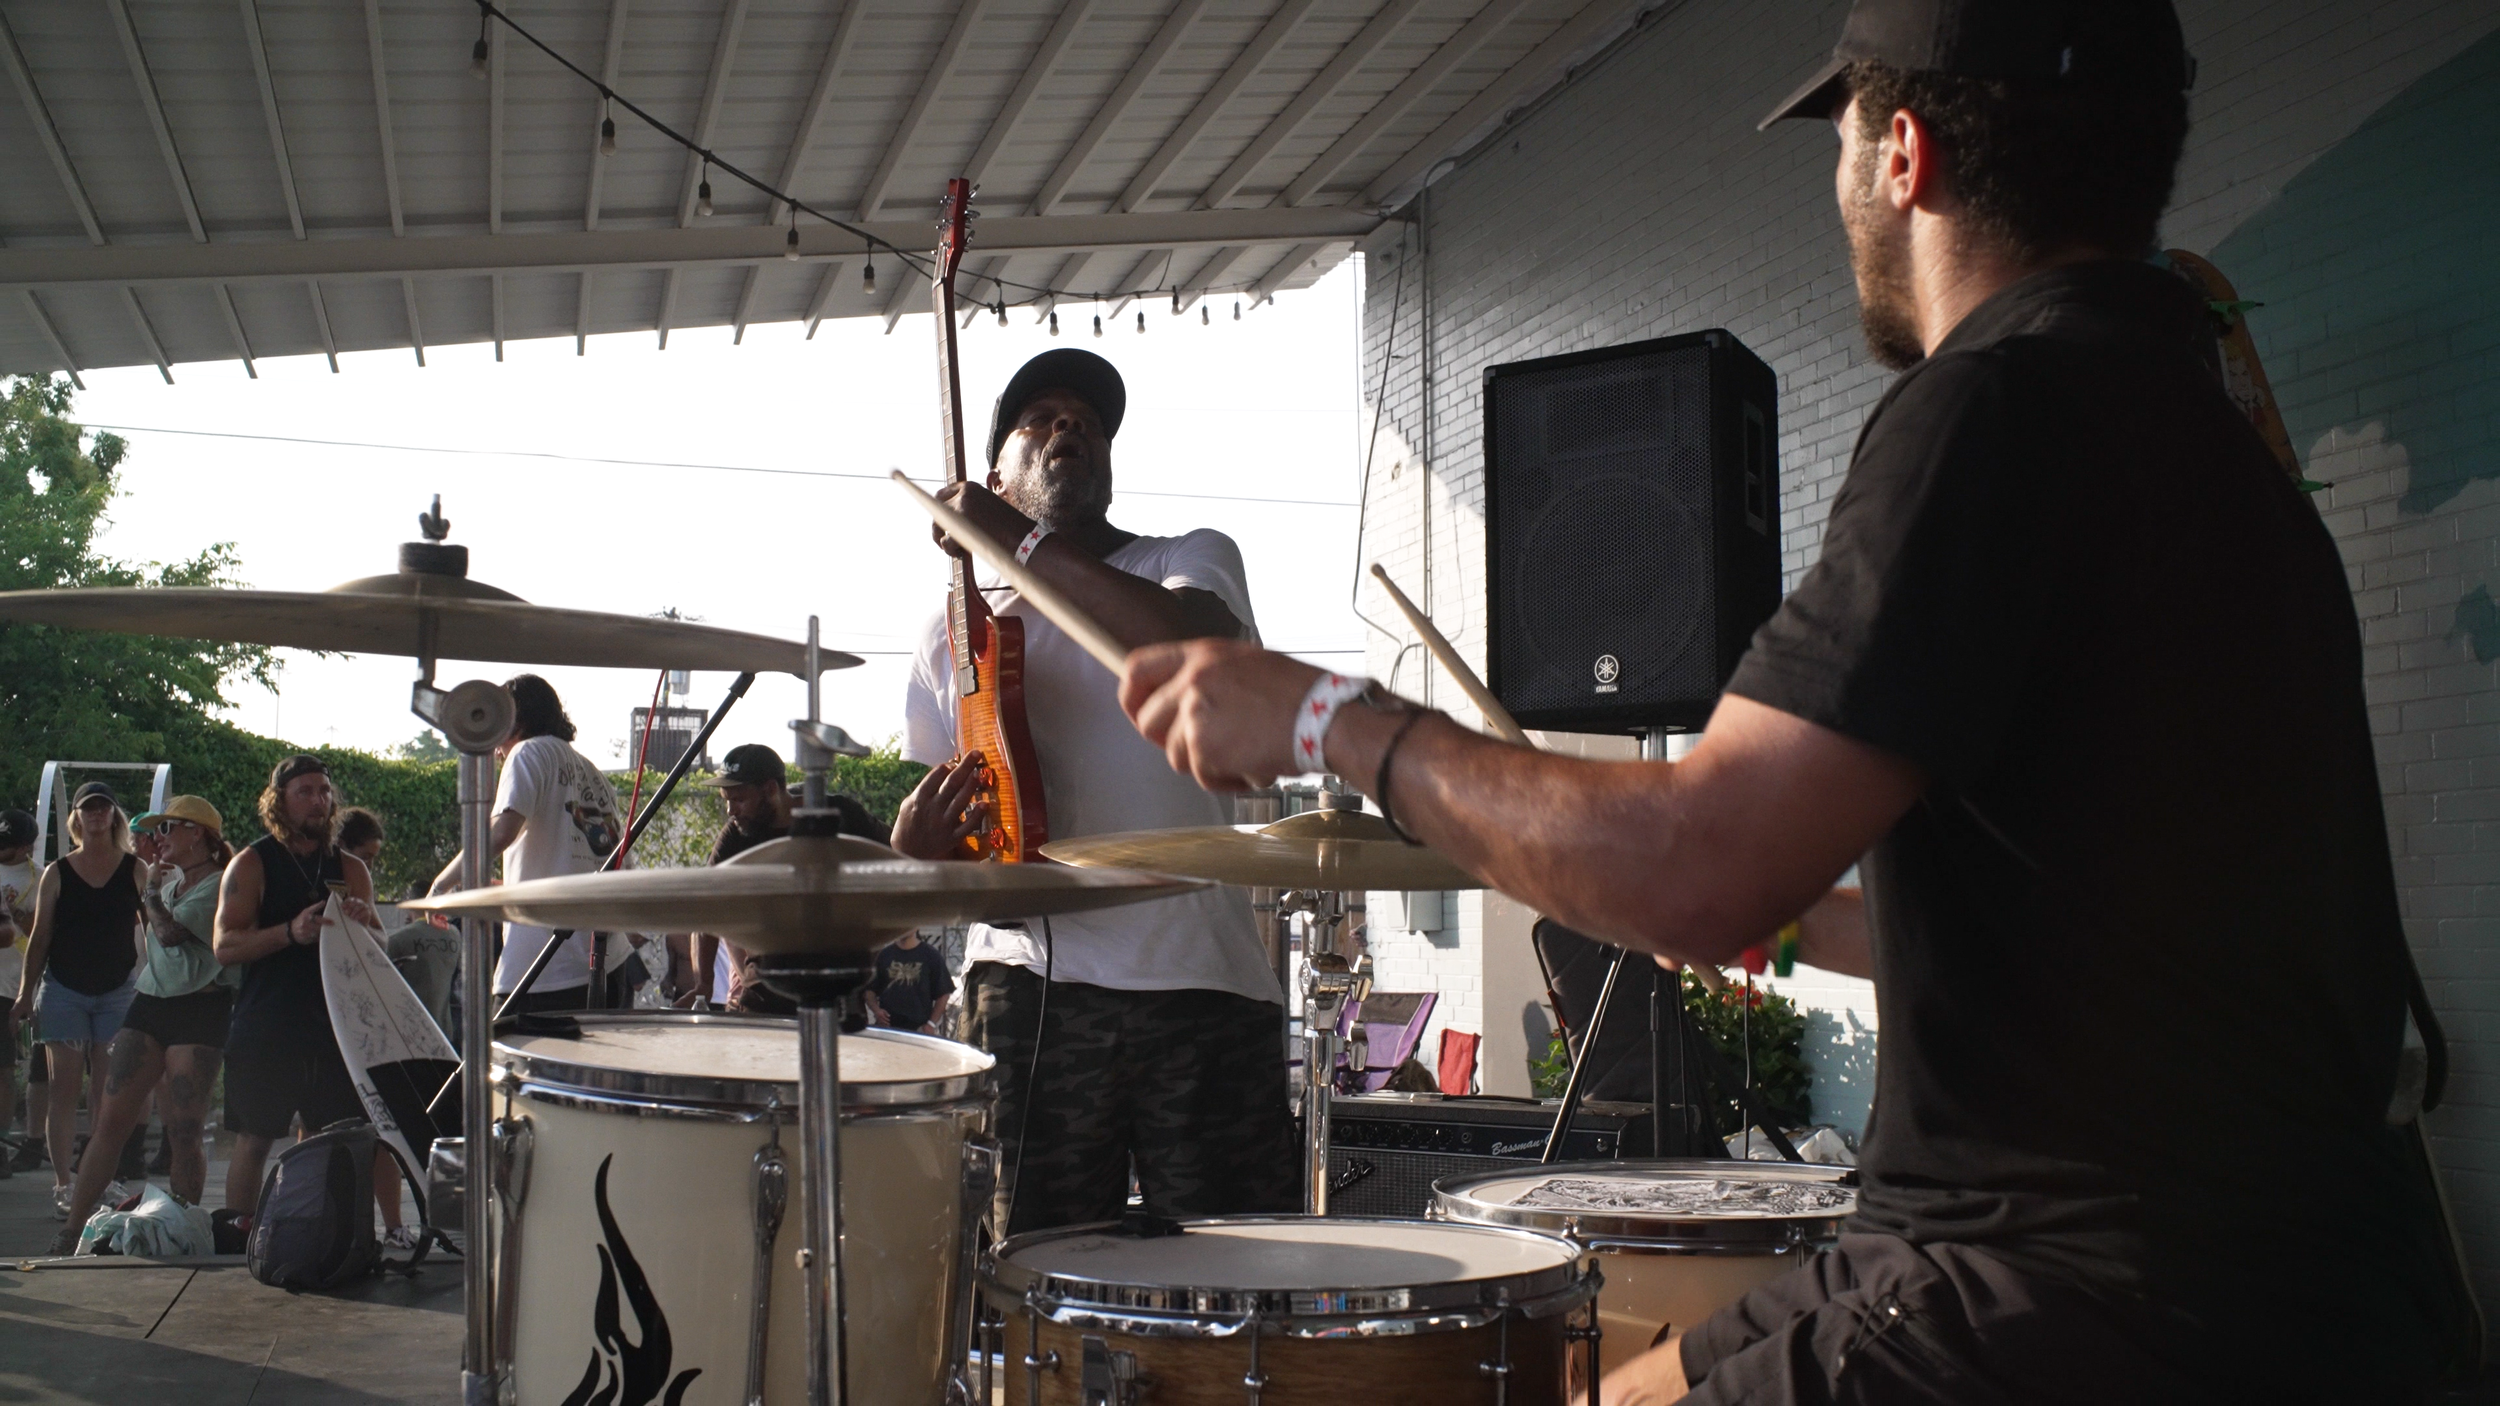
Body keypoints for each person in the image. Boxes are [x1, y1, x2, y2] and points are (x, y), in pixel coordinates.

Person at [1113, 0, 2472, 1398]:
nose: (1833, 186)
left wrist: (1332, 718)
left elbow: (1695, 861)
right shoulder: (2219, 453)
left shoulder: (1993, 407)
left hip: (2066, 1306)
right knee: (1606, 1387)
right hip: (2292, 1286)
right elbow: (2101, 928)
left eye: (1838, 137)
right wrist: (1790, 923)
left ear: (1905, 155)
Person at [896, 347, 1292, 1235]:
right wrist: (914, 855)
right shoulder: (952, 631)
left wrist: (1019, 540)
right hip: (1029, 990)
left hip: (1199, 982)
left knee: (1239, 1277)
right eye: (1038, 419)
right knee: (1035, 1271)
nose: (1069, 425)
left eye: (1087, 419)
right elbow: (964, 822)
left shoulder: (1186, 559)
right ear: (993, 472)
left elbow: (1185, 652)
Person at [216, 755, 410, 1246]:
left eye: (324, 791)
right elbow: (225, 946)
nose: (318, 801)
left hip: (337, 1029)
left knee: (348, 1140)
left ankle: (345, 1234)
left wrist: (368, 924)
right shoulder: (252, 862)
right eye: (304, 791)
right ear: (278, 800)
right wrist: (288, 932)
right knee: (255, 1137)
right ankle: (237, 1239)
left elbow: (382, 948)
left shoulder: (350, 866)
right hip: (269, 1025)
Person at [51, 797, 235, 1252]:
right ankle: (72, 1229)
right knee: (109, 1123)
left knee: (184, 1129)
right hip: (150, 1004)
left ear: (199, 834)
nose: (159, 838)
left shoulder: (218, 886)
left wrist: (150, 888)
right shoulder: (172, 885)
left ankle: (180, 1230)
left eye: (169, 827)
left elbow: (170, 933)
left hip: (199, 1010)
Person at [430, 675, 626, 1015]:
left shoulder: (527, 752)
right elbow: (597, 857)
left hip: (548, 968)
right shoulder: (592, 771)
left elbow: (500, 833)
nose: (495, 746)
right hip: (609, 963)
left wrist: (441, 883)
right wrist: (511, 887)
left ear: (514, 719)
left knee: (514, 1062)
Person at [9, 782, 143, 1221]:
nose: (97, 814)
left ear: (115, 816)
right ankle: (65, 1184)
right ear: (77, 818)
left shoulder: (135, 868)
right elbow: (41, 935)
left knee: (107, 1092)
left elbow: (159, 926)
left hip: (117, 990)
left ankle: (100, 1178)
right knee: (63, 1090)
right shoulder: (58, 871)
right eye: (89, 808)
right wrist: (26, 993)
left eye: (105, 807)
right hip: (64, 988)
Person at [684, 744, 888, 1014]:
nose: (730, 810)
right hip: (764, 991)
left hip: (834, 988)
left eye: (739, 799)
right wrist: (703, 983)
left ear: (770, 789)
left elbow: (898, 853)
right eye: (726, 799)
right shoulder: (735, 835)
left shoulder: (839, 815)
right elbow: (706, 906)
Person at [0, 809, 38, 1177]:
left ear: (26, 846)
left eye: (8, 847)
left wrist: (17, 915)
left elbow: (44, 932)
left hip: (10, 984)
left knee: (3, 1067)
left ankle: (2, 1142)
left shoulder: (39, 878)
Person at [864, 931, 952, 1035]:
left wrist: (931, 1024)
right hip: (888, 1028)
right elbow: (869, 990)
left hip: (918, 1030)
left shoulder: (931, 956)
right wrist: (877, 1011)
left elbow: (943, 993)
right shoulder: (885, 955)